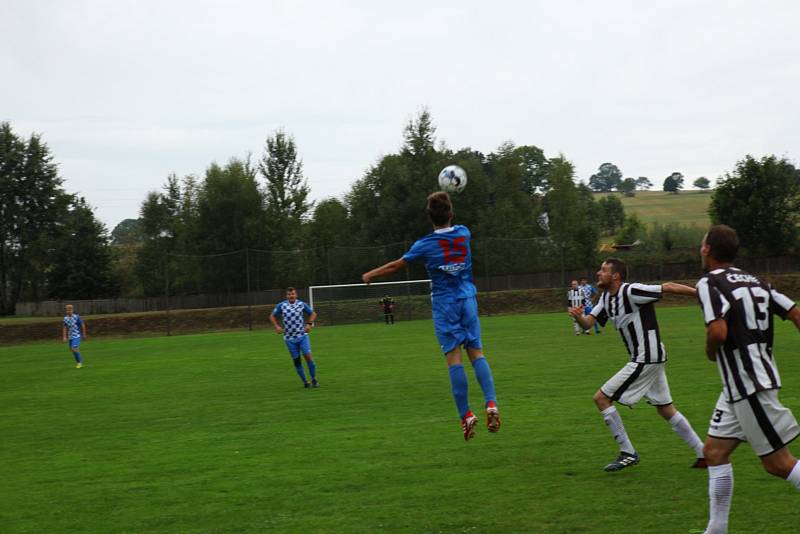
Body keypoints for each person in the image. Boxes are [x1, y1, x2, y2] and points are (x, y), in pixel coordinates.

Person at [361, 191, 499, 441]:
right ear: (451, 213)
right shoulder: (464, 233)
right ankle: (491, 403)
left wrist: (371, 273)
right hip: (467, 299)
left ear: (429, 216)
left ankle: (466, 414)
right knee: (476, 352)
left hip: (445, 303)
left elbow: (396, 265)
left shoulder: (424, 244)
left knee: (454, 358)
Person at [695, 225, 800, 534]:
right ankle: (716, 530)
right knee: (714, 452)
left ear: (707, 250)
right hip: (741, 385)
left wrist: (711, 351)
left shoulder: (708, 282)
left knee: (778, 464)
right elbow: (794, 313)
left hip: (748, 383)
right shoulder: (758, 281)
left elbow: (717, 331)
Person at [569, 258, 707, 471]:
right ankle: (704, 453)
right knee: (665, 409)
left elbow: (668, 287)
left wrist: (701, 295)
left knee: (601, 398)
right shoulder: (606, 298)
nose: (598, 273)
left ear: (615, 276)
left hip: (646, 357)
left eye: (603, 270)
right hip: (650, 357)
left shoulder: (632, 291)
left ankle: (628, 452)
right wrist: (579, 318)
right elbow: (589, 323)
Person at [270, 287, 319, 388]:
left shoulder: (301, 304)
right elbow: (272, 316)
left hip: (302, 336)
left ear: (296, 295)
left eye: (292, 294)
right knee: (297, 361)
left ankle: (314, 379)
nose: (291, 296)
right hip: (289, 339)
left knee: (308, 357)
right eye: (289, 294)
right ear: (286, 296)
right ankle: (305, 382)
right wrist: (277, 326)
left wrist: (309, 324)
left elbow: (313, 314)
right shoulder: (282, 305)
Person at [62, 304, 87, 368]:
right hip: (70, 336)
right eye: (67, 310)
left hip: (77, 335)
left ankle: (79, 363)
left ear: (72, 310)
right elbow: (64, 328)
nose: (69, 311)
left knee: (74, 348)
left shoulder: (76, 317)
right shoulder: (65, 318)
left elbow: (82, 325)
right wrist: (64, 337)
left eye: (70, 310)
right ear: (66, 311)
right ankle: (79, 360)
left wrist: (84, 334)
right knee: (73, 350)